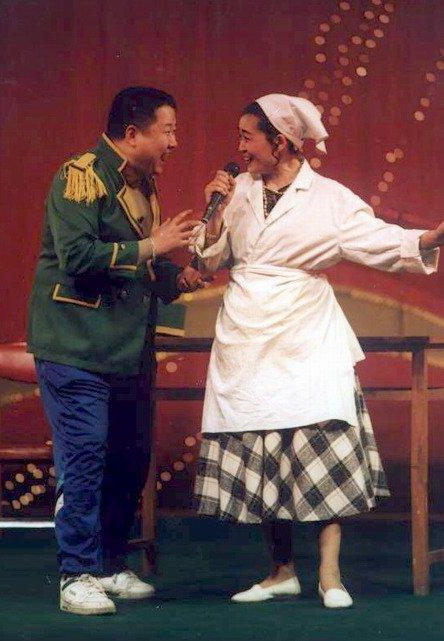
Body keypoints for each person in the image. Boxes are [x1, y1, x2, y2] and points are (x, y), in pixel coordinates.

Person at [192, 93, 443, 608]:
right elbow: (209, 258)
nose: (240, 148)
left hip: (305, 332)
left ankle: (330, 575)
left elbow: (378, 240)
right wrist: (212, 215)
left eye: (248, 137)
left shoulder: (328, 197)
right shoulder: (238, 191)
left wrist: (428, 240)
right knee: (262, 446)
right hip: (247, 331)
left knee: (318, 445)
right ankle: (281, 571)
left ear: (281, 141)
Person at [27, 86, 206, 615]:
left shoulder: (142, 184)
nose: (174, 142)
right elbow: (78, 257)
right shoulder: (79, 176)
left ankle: (107, 564)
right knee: (85, 457)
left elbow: (141, 267)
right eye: (167, 130)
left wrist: (179, 276)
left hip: (127, 350)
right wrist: (154, 245)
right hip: (76, 346)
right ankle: (75, 573)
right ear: (132, 133)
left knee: (130, 458)